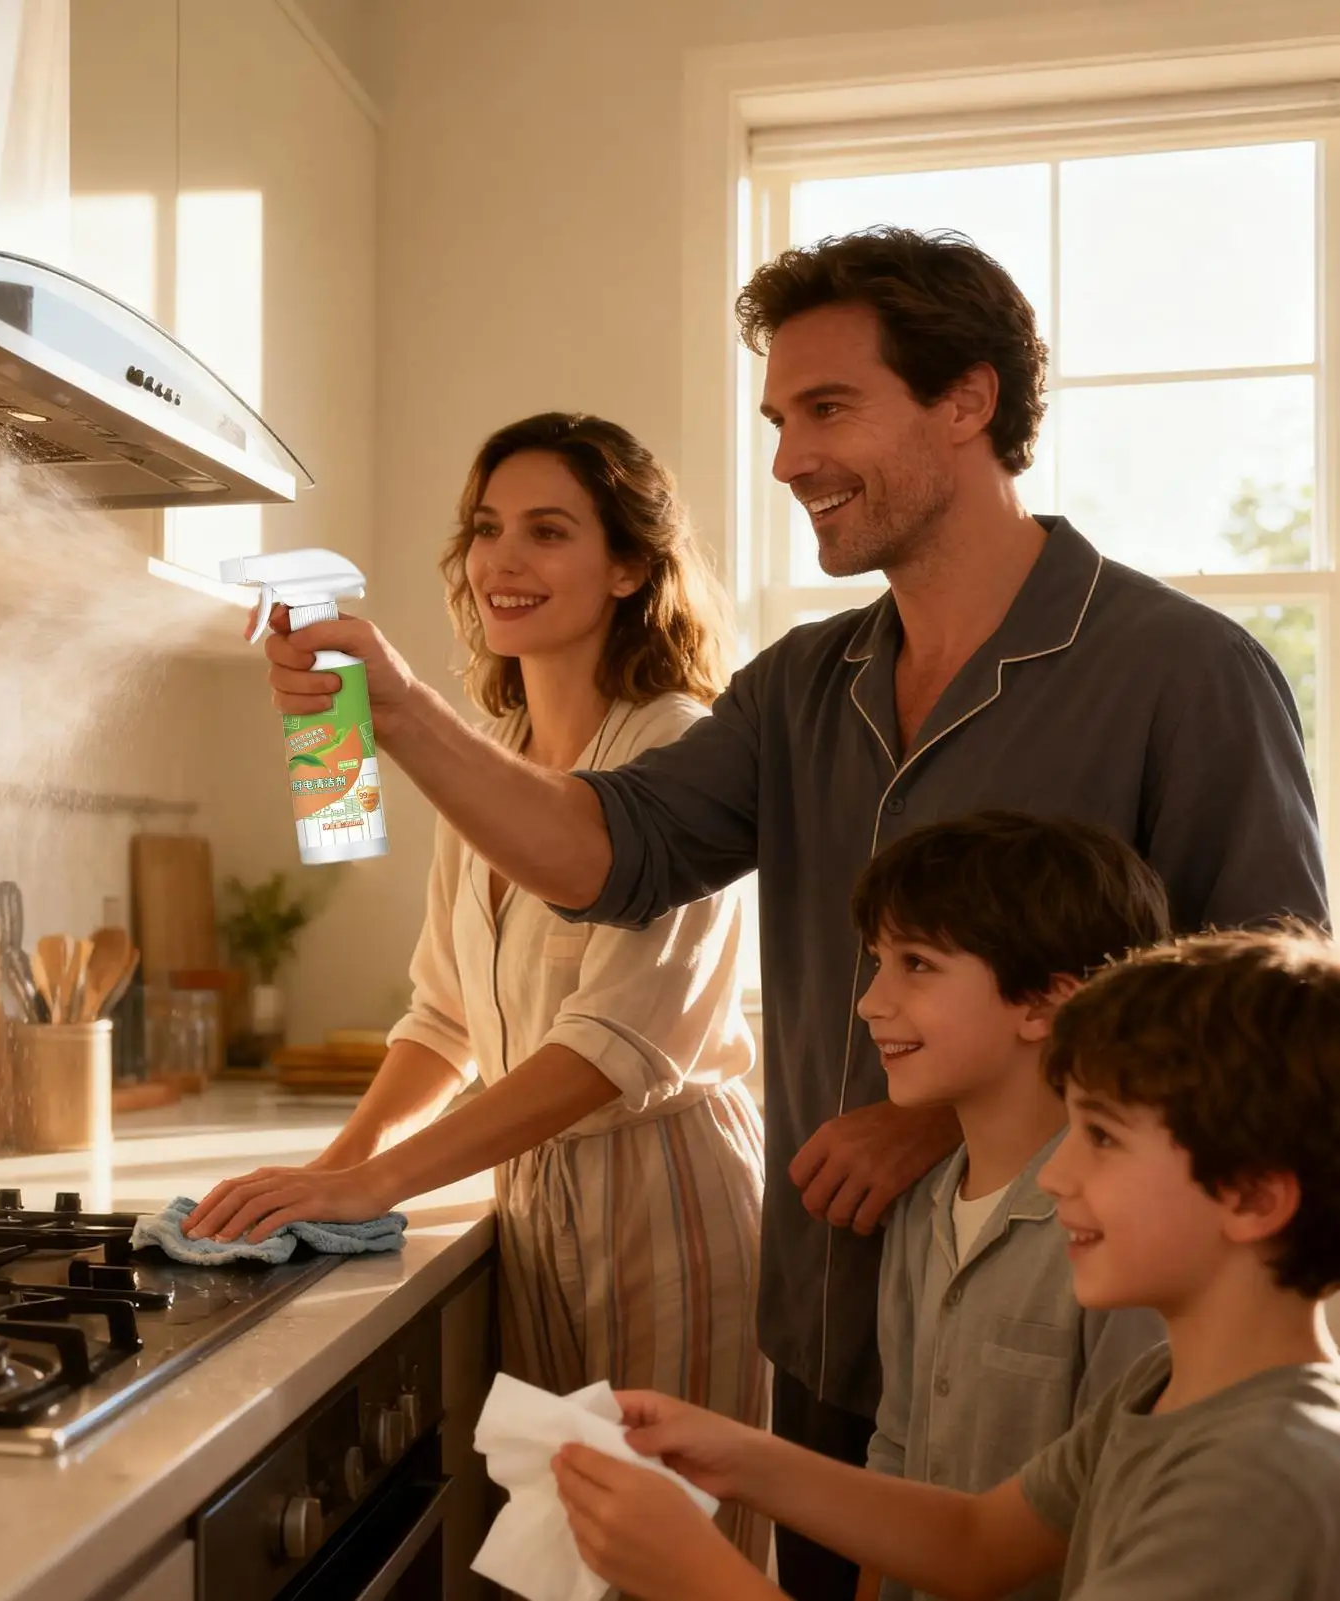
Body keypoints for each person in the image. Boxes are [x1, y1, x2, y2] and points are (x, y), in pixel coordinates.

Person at [248, 228, 1328, 1598]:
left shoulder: (1182, 673)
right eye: (777, 418)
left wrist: (934, 1113)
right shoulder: (804, 685)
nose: (785, 460)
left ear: (968, 400)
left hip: (1068, 1349)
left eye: (827, 409)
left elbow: (1274, 1029)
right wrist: (395, 708)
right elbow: (608, 847)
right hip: (829, 1332)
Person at [186, 413, 770, 1566]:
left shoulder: (674, 748)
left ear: (627, 566)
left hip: (667, 1208)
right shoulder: (491, 754)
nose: (502, 561)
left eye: (546, 532)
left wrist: (376, 1181)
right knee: (557, 1561)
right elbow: (443, 1014)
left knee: (672, 1560)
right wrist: (333, 1170)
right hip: (530, 1203)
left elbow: (610, 1050)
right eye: (486, 530)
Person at [552, 927, 1340, 1601]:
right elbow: (974, 1540)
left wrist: (696, 1573)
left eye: (1100, 1137)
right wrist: (738, 1455)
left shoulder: (1257, 1483)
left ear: (1251, 1196)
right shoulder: (1166, 1386)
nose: (1059, 1173)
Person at [847, 812, 1169, 1601]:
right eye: (877, 962)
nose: (868, 1002)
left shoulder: (1118, 1232)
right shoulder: (920, 1207)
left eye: (915, 964)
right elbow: (893, 1453)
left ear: (1045, 1005)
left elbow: (1122, 1509)